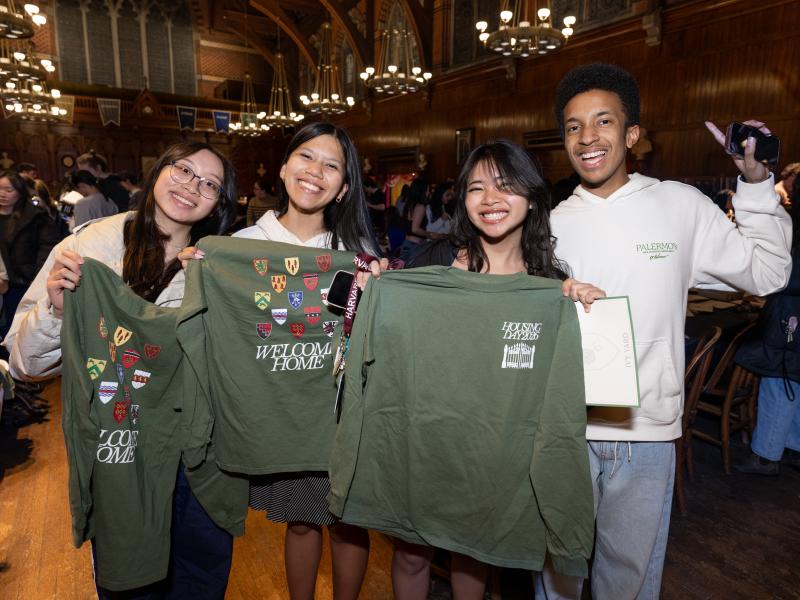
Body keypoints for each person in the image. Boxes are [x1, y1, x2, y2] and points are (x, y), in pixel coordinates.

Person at [544, 62, 792, 600]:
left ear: (631, 134)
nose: (588, 137)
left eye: (603, 122)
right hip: (562, 428)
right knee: (558, 576)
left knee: (626, 580)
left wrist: (754, 185)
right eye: (573, 126)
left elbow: (769, 273)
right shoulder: (552, 223)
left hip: (644, 430)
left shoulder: (678, 205)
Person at [3, 141, 238, 598]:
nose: (193, 186)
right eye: (183, 170)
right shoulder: (90, 245)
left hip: (198, 453)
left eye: (210, 184)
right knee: (131, 575)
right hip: (122, 446)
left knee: (199, 573)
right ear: (157, 171)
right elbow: (25, 363)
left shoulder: (218, 263)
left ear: (219, 204)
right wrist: (54, 310)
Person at [396, 139, 604, 600]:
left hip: (494, 450)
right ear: (461, 199)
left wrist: (583, 312)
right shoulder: (434, 263)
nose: (490, 200)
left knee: (473, 552)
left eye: (505, 186)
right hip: (424, 439)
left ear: (531, 197)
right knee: (412, 554)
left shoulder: (550, 284)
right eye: (476, 188)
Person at [235, 122, 380, 600]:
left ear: (342, 188)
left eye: (332, 165)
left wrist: (378, 287)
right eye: (306, 157)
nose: (316, 172)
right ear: (282, 167)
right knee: (300, 523)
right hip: (281, 412)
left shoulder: (356, 256)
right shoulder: (243, 246)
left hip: (341, 413)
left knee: (348, 524)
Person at [735, 175, 800, 475]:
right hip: (791, 309)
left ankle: (766, 455)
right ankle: (791, 447)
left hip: (790, 312)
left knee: (780, 377)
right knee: (793, 379)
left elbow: (785, 274)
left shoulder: (794, 222)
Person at [0, 171, 59, 354]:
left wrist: (37, 276)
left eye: (8, 189)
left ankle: (23, 371)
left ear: (19, 192)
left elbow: (48, 248)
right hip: (3, 283)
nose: (2, 193)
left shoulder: (35, 216)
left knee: (21, 329)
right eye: (0, 189)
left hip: (25, 282)